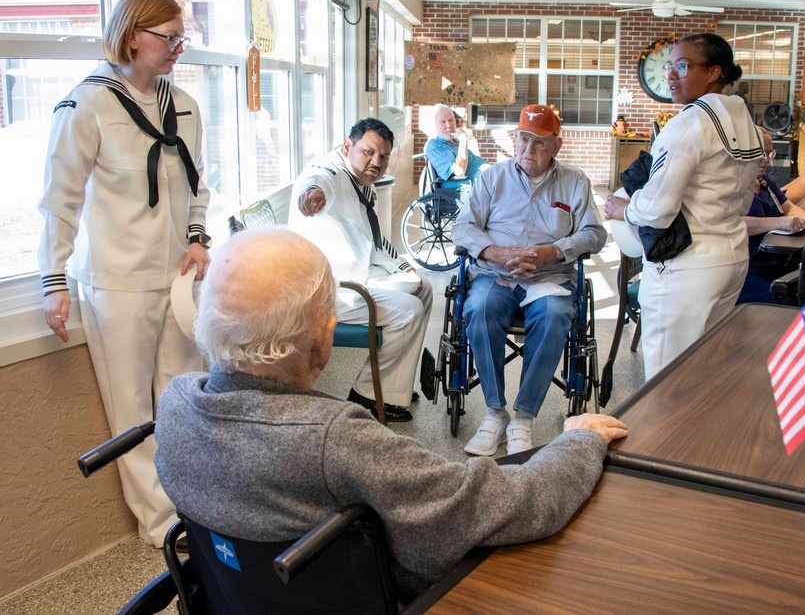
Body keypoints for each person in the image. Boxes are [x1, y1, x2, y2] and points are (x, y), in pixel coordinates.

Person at [154, 227, 629, 601]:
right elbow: (504, 507)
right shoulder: (337, 440)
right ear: (324, 337)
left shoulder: (175, 406)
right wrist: (578, 441)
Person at [37, 0, 209, 547]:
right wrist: (53, 280)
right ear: (133, 35)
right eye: (169, 38)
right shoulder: (85, 105)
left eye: (182, 38)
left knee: (182, 395)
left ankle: (195, 502)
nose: (178, 48)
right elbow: (59, 201)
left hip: (178, 277)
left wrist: (198, 237)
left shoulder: (182, 104)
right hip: (117, 279)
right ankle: (160, 524)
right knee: (133, 405)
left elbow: (197, 183)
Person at [604, 33, 763, 380]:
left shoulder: (688, 123)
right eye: (670, 67)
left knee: (667, 380)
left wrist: (624, 209)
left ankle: (663, 436)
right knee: (704, 372)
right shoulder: (742, 118)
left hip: (687, 266)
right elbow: (746, 194)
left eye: (683, 66)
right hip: (731, 255)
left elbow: (658, 210)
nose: (671, 76)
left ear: (714, 72)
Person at [452, 104, 607, 456]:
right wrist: (495, 252)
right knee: (478, 308)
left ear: (557, 146)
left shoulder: (575, 182)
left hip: (549, 277)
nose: (528, 150)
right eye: (523, 140)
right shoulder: (492, 177)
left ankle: (523, 417)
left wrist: (552, 252)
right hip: (496, 274)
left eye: (539, 143)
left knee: (554, 315)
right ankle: (494, 412)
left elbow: (595, 234)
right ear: (514, 139)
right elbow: (463, 227)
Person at [289, 118, 430, 423]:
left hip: (360, 274)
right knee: (408, 310)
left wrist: (406, 267)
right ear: (347, 146)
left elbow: (375, 241)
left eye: (383, 156)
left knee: (425, 288)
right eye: (368, 152)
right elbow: (318, 180)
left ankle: (394, 386)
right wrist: (312, 195)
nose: (376, 162)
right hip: (329, 289)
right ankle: (366, 395)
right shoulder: (331, 173)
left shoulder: (363, 185)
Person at [738, 129, 805, 304]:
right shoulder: (734, 185)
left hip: (776, 263)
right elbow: (734, 223)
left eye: (770, 153)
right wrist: (779, 222)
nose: (766, 159)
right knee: (786, 302)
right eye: (761, 153)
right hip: (747, 268)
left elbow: (788, 207)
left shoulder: (767, 182)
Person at [425, 104, 488, 191]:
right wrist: (463, 139)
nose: (448, 125)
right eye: (443, 122)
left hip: (485, 178)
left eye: (451, 120)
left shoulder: (453, 142)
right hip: (467, 188)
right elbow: (459, 172)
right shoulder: (435, 145)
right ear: (434, 125)